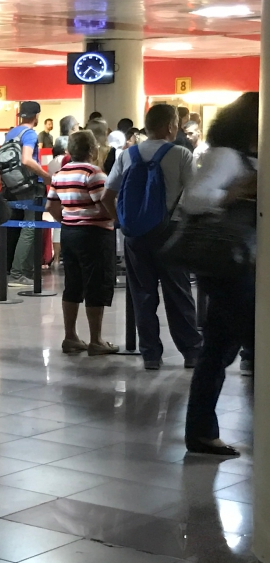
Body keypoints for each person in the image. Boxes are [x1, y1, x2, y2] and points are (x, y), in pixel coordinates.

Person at [182, 92, 258, 456]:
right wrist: (236, 192)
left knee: (217, 348)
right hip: (231, 266)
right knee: (255, 343)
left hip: (239, 266)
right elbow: (193, 199)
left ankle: (200, 431)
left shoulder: (239, 155)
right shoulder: (227, 156)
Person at [102, 104, 201, 371]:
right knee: (178, 293)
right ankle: (191, 351)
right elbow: (195, 196)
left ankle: (150, 355)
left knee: (142, 295)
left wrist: (123, 223)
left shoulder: (127, 155)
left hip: (135, 236)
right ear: (171, 126)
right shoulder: (181, 154)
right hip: (170, 233)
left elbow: (106, 196)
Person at [46, 130, 118, 356]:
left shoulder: (60, 174)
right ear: (92, 150)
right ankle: (96, 340)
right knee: (96, 283)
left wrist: (68, 219)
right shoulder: (94, 173)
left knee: (73, 283)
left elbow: (51, 207)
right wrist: (115, 219)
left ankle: (70, 337)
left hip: (70, 233)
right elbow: (104, 201)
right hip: (95, 235)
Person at [1, 101, 49, 287]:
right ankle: (18, 272)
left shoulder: (12, 133)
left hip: (13, 187)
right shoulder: (29, 134)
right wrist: (46, 176)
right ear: (36, 116)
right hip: (30, 186)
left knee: (21, 227)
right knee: (30, 227)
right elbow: (27, 160)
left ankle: (24, 270)